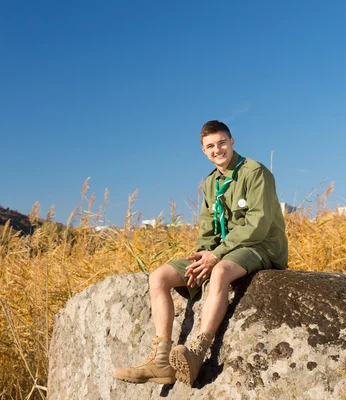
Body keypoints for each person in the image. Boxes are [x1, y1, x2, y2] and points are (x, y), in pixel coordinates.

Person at [114, 120, 288, 386]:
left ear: (232, 142)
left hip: (260, 246)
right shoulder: (210, 183)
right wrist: (201, 257)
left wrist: (215, 257)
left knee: (219, 273)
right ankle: (161, 360)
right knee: (159, 277)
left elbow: (258, 224)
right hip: (223, 250)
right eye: (210, 146)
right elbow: (207, 230)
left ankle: (197, 353)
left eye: (221, 143)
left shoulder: (255, 173)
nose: (217, 149)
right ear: (204, 151)